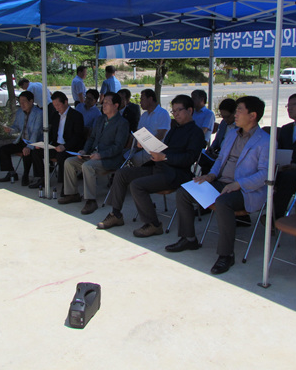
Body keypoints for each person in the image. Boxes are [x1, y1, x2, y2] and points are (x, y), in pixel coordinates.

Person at [165, 96, 269, 276]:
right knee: (184, 192)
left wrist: (239, 184)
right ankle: (188, 238)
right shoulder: (232, 134)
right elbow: (220, 159)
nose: (235, 114)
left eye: (239, 111)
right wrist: (211, 175)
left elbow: (265, 173)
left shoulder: (264, 140)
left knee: (222, 202)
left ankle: (226, 254)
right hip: (222, 183)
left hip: (245, 190)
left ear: (253, 115)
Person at [98, 94, 205, 237]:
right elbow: (165, 149)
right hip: (159, 167)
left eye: (179, 110)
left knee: (137, 185)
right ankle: (116, 214)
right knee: (121, 173)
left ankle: (153, 224)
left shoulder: (196, 133)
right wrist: (149, 147)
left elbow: (189, 159)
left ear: (190, 110)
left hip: (176, 174)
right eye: (174, 111)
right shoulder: (175, 129)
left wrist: (165, 157)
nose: (176, 114)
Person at [59, 92, 129, 215]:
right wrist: (84, 150)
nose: (103, 105)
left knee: (88, 166)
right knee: (69, 162)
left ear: (116, 105)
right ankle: (72, 194)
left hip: (109, 159)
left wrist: (101, 155)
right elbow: (91, 138)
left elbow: (118, 147)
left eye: (107, 103)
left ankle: (91, 200)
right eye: (103, 102)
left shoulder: (122, 123)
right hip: (92, 155)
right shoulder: (100, 119)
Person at [29, 91, 85, 191]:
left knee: (62, 156)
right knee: (36, 152)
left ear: (66, 102)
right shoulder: (55, 115)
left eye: (58, 105)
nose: (57, 108)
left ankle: (65, 185)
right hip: (56, 145)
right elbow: (51, 133)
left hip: (69, 147)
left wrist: (65, 146)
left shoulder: (76, 116)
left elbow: (78, 136)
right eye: (54, 105)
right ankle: (42, 178)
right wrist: (43, 144)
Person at [0, 91, 43, 186]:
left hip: (35, 142)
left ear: (31, 101)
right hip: (22, 140)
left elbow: (36, 132)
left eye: (24, 102)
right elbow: (16, 127)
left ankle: (27, 175)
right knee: (3, 150)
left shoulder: (39, 113)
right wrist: (10, 130)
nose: (22, 105)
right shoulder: (20, 112)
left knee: (27, 152)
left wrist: (29, 146)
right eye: (20, 102)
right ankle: (11, 172)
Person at [126, 88, 172, 167]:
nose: (140, 102)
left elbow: (161, 135)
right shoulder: (144, 115)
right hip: (142, 146)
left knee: (135, 158)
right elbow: (138, 132)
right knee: (124, 155)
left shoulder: (162, 113)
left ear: (150, 99)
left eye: (142, 99)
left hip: (156, 148)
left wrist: (145, 145)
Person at [199, 98, 237, 175]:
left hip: (228, 157)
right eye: (223, 117)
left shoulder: (239, 127)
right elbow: (217, 139)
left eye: (227, 117)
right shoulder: (224, 123)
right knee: (200, 156)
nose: (225, 119)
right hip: (218, 153)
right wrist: (212, 147)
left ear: (234, 113)